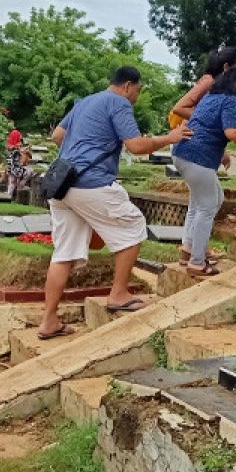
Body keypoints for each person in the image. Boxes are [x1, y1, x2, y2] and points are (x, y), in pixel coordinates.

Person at [37, 66, 191, 340]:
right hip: (91, 183)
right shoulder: (118, 103)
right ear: (128, 85)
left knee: (64, 253)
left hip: (61, 185)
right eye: (138, 90)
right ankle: (118, 293)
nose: (136, 96)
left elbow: (57, 136)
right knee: (134, 225)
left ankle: (49, 321)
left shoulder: (85, 101)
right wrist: (170, 138)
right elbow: (135, 146)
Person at [173, 64, 236, 276]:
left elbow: (211, 126)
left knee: (214, 199)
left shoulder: (212, 96)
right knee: (206, 207)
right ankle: (197, 262)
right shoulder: (230, 100)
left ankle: (189, 249)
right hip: (198, 157)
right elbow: (231, 132)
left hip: (185, 153)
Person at [168, 47, 236, 129]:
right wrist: (208, 120)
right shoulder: (209, 81)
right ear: (226, 67)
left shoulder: (220, 85)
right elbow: (178, 108)